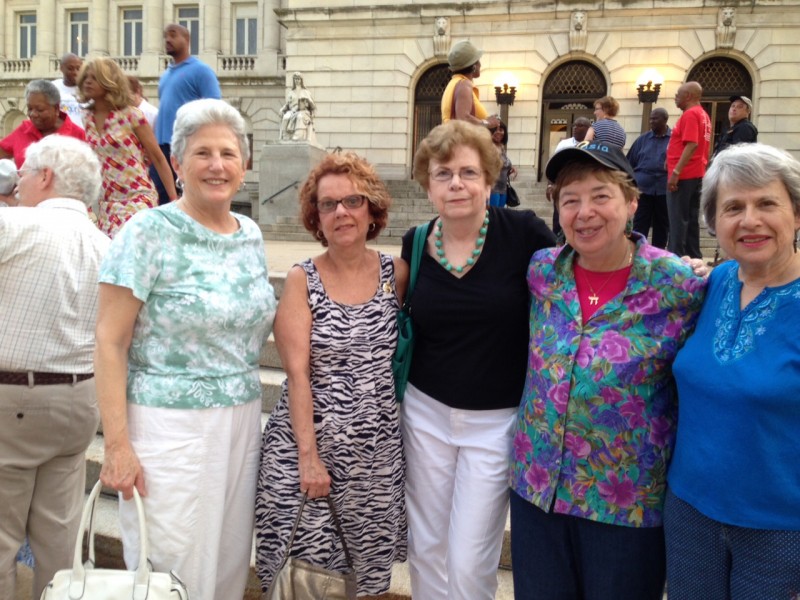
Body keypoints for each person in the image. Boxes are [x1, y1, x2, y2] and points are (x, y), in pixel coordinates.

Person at [95, 99, 276, 600]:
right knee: (169, 569)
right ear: (177, 162)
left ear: (244, 163)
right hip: (167, 425)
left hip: (240, 422)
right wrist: (116, 445)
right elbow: (109, 342)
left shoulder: (251, 235)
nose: (217, 165)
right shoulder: (146, 233)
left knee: (226, 563)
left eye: (228, 153)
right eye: (202, 153)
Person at [508, 142, 706, 600]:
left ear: (632, 202)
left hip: (625, 506)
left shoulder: (679, 283)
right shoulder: (543, 271)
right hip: (538, 491)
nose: (584, 212)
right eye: (570, 199)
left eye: (601, 196)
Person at [401, 120, 555, 599]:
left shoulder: (524, 232)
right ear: (428, 183)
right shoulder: (415, 241)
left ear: (489, 181)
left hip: (496, 421)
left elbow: (577, 274)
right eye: (443, 173)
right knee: (425, 546)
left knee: (470, 558)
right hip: (426, 413)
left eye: (469, 172)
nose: (456, 184)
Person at [255, 153, 409, 596]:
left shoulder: (394, 274)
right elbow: (297, 376)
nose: (342, 212)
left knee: (367, 579)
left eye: (353, 201)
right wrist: (309, 458)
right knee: (304, 581)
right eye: (328, 204)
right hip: (309, 458)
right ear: (315, 218)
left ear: (372, 211)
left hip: (376, 464)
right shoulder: (304, 279)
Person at [665, 143, 800, 598]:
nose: (749, 220)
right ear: (715, 223)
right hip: (689, 510)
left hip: (779, 528)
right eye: (733, 207)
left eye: (767, 203)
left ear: (797, 214)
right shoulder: (711, 283)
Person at [0, 135, 109, 599]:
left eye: (23, 172)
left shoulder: (15, 227)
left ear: (45, 177)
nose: (18, 182)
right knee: (58, 540)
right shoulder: (108, 245)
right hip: (80, 399)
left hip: (13, 398)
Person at [78, 57, 177, 237]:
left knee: (127, 243)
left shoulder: (131, 115)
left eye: (94, 78)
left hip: (137, 196)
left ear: (108, 81)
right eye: (85, 78)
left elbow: (158, 158)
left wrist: (173, 199)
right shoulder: (86, 117)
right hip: (107, 202)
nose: (88, 82)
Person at [152, 24, 221, 205]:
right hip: (161, 149)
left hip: (184, 146)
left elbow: (214, 109)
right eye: (165, 36)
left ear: (187, 40)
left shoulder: (201, 71)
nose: (167, 40)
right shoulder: (166, 75)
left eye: (173, 35)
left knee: (186, 200)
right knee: (160, 199)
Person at [666, 81, 711, 259]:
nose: (675, 97)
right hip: (695, 173)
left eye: (678, 94)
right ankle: (694, 256)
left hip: (684, 175)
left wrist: (676, 172)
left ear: (688, 96)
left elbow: (691, 144)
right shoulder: (703, 115)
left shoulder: (690, 114)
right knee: (690, 219)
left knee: (677, 219)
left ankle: (675, 260)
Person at [0, 80, 85, 168]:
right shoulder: (23, 130)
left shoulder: (78, 136)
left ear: (56, 109)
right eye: (29, 108)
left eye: (39, 110)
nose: (33, 114)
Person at [628, 107, 671, 248]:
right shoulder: (642, 140)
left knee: (662, 226)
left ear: (665, 120)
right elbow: (629, 162)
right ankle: (638, 254)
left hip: (664, 191)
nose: (651, 121)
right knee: (640, 224)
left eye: (655, 118)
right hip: (643, 190)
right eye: (651, 118)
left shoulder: (674, 140)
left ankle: (658, 256)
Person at [440, 40, 500, 130]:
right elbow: (464, 119)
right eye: (478, 61)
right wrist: (488, 123)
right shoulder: (464, 84)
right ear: (474, 66)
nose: (481, 65)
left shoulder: (454, 83)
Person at [551, 117, 592, 237]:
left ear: (588, 128)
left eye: (580, 125)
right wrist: (550, 184)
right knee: (558, 215)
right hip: (563, 184)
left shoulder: (592, 145)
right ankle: (557, 241)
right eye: (574, 125)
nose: (575, 128)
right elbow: (555, 164)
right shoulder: (564, 143)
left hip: (583, 187)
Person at [279, 72, 317, 142]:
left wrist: (307, 100)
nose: (297, 80)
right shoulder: (291, 92)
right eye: (295, 79)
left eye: (298, 79)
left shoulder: (305, 92)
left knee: (300, 117)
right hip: (292, 111)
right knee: (286, 117)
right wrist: (282, 109)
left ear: (301, 80)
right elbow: (287, 105)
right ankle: (285, 136)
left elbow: (313, 106)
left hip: (303, 111)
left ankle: (298, 136)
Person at [51, 53, 85, 130]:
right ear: (61, 68)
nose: (75, 72)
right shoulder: (53, 87)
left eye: (78, 68)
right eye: (70, 68)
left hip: (82, 137)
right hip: (61, 137)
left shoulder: (87, 88)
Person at [489, 118, 517, 208]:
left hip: (503, 189)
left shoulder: (501, 147)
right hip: (492, 189)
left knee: (500, 216)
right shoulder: (488, 146)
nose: (499, 132)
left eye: (501, 130)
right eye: (495, 130)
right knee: (493, 217)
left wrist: (512, 168)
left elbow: (504, 164)